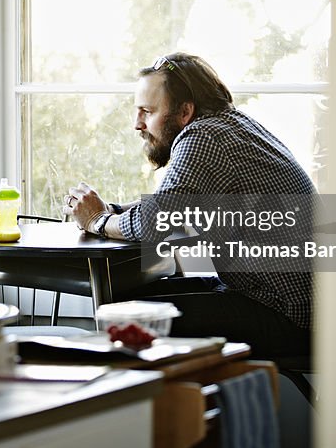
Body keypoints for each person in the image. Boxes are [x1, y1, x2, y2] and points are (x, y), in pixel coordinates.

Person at [63, 52, 316, 357]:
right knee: (135, 304)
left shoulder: (204, 136)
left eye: (147, 111)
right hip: (296, 305)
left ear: (185, 111)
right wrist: (116, 211)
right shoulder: (232, 125)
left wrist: (98, 221)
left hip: (288, 315)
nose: (137, 124)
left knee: (129, 317)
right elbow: (176, 204)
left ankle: (168, 403)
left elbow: (155, 222)